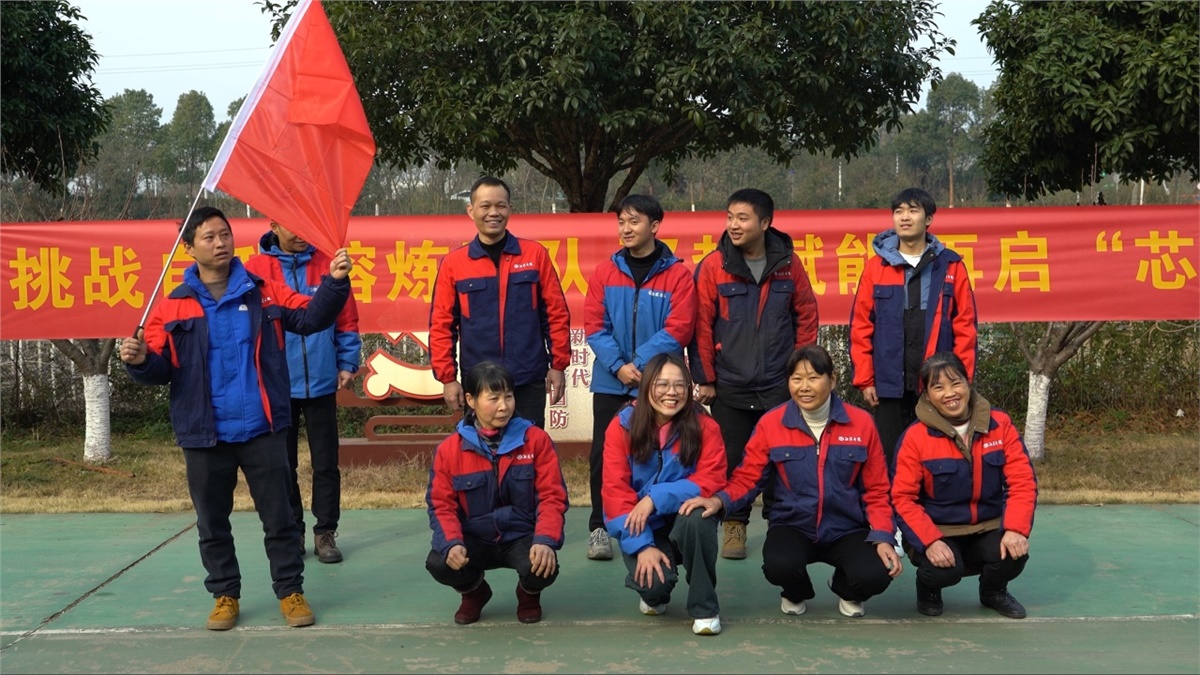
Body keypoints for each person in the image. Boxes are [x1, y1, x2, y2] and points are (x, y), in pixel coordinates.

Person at [120, 206, 353, 631]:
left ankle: (290, 591)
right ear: (189, 248)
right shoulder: (173, 305)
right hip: (204, 433)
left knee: (280, 520)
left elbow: (310, 317)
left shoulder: (264, 292)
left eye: (225, 234)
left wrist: (335, 283)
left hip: (262, 427)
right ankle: (225, 595)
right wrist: (138, 362)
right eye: (208, 237)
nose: (220, 243)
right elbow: (161, 368)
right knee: (212, 523)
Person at [683, 344, 902, 618]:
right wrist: (719, 500)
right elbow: (748, 478)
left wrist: (882, 536)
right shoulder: (771, 424)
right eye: (796, 379)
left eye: (813, 378)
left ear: (832, 380)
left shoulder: (862, 423)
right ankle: (796, 591)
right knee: (779, 565)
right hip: (793, 524)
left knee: (876, 573)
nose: (804, 387)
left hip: (847, 528)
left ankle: (846, 588)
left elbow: (877, 490)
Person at [689, 188, 819, 560]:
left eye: (742, 218)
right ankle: (735, 524)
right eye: (730, 217)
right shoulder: (714, 266)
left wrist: (801, 374)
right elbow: (701, 326)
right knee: (733, 460)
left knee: (783, 458)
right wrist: (705, 378)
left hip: (779, 383)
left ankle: (782, 525)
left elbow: (806, 316)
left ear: (764, 223)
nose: (733, 225)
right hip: (730, 383)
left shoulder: (789, 264)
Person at [584, 194, 697, 561]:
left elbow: (678, 328)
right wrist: (619, 366)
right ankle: (600, 527)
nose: (626, 229)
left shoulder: (677, 275)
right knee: (603, 456)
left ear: (655, 226)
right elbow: (594, 326)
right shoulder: (605, 272)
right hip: (611, 381)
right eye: (622, 222)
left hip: (659, 384)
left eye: (634, 221)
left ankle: (655, 524)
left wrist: (641, 366)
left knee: (660, 454)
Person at [244, 220, 362, 565]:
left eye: (304, 226)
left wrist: (346, 362)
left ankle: (325, 531)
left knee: (326, 463)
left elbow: (347, 318)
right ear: (274, 225)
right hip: (277, 384)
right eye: (291, 226)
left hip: (322, 381)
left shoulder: (329, 263)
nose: (300, 233)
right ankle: (292, 529)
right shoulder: (255, 269)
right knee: (283, 464)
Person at [891, 351, 1037, 619]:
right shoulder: (915, 437)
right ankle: (928, 588)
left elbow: (1022, 481)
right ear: (927, 395)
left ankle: (993, 591)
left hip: (988, 525)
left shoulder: (1000, 424)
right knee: (943, 570)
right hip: (939, 529)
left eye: (955, 383)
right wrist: (930, 541)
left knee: (1013, 555)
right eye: (938, 387)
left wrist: (1015, 529)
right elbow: (902, 498)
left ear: (967, 383)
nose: (950, 393)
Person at [425, 361, 569, 625]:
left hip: (521, 535)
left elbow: (553, 496)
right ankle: (474, 593)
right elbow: (441, 505)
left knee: (544, 565)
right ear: (471, 400)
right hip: (475, 538)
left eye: (509, 397)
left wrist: (545, 540)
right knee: (439, 561)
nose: (504, 406)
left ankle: (528, 594)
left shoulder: (536, 440)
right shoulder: (449, 450)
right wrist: (452, 543)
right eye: (494, 399)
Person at [429, 176, 571, 430]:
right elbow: (442, 326)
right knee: (481, 449)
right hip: (479, 382)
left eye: (500, 206)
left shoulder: (535, 255)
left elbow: (555, 314)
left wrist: (558, 365)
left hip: (527, 378)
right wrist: (448, 378)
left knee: (528, 446)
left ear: (510, 209)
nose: (493, 213)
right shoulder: (454, 264)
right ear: (471, 211)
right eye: (485, 206)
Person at [849, 187, 978, 465]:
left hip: (938, 384)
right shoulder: (876, 267)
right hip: (888, 385)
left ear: (928, 219)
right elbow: (861, 327)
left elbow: (965, 327)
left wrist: (960, 382)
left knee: (938, 460)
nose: (904, 217)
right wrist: (865, 379)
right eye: (899, 211)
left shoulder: (951, 265)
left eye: (913, 211)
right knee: (890, 460)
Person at [602, 353, 726, 635]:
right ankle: (653, 591)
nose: (672, 392)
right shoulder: (622, 426)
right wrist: (642, 546)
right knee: (654, 587)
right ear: (647, 386)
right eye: (662, 384)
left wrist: (656, 498)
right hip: (642, 525)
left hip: (684, 519)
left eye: (680, 385)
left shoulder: (705, 425)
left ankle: (705, 608)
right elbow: (615, 493)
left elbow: (712, 477)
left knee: (698, 515)